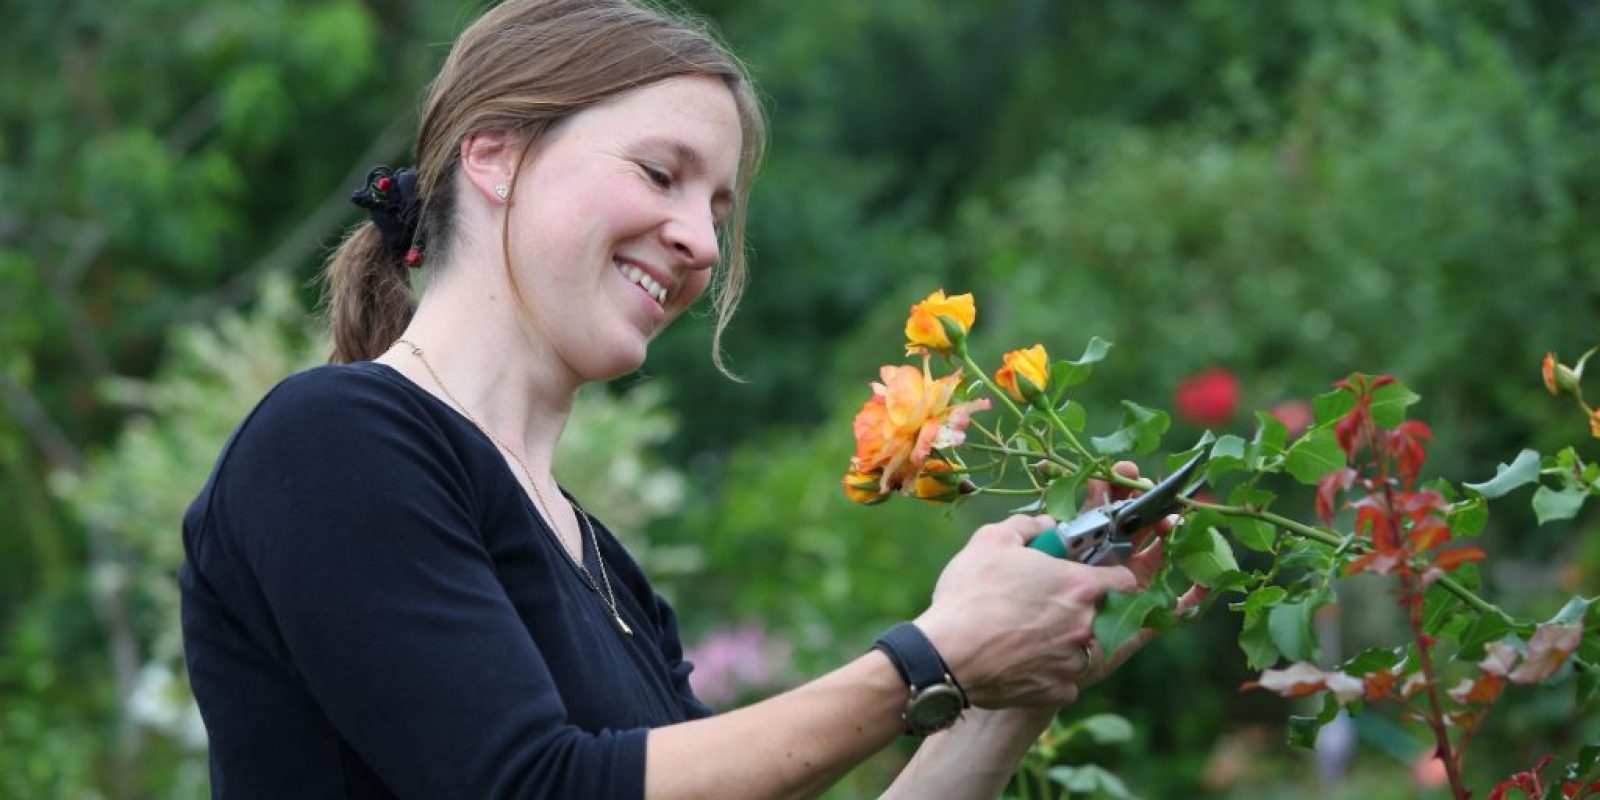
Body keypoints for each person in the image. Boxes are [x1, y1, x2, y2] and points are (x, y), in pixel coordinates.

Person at [178, 1, 1198, 797]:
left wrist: (1007, 684)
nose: (702, 242)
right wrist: (933, 651)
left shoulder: (601, 565)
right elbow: (530, 787)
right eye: (661, 173)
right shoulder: (334, 443)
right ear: (494, 155)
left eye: (717, 207)